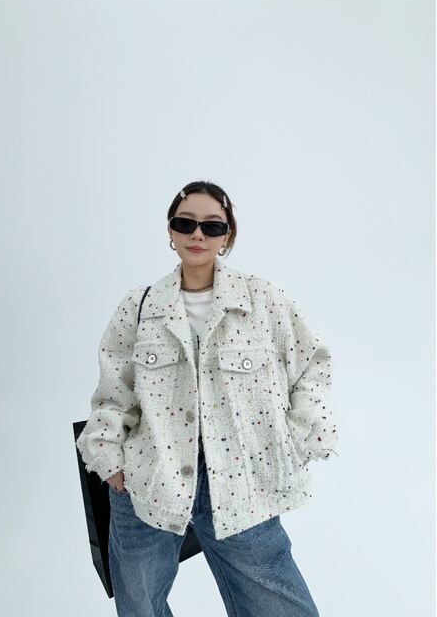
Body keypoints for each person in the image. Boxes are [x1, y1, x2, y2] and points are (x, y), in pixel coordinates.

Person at [76, 181, 339, 616]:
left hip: (240, 478)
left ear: (227, 235)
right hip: (149, 476)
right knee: (140, 606)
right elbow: (113, 391)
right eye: (186, 223)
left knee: (280, 605)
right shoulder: (139, 306)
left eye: (212, 226)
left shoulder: (263, 300)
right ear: (171, 231)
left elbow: (314, 363)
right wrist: (111, 463)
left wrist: (295, 436)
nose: (198, 234)